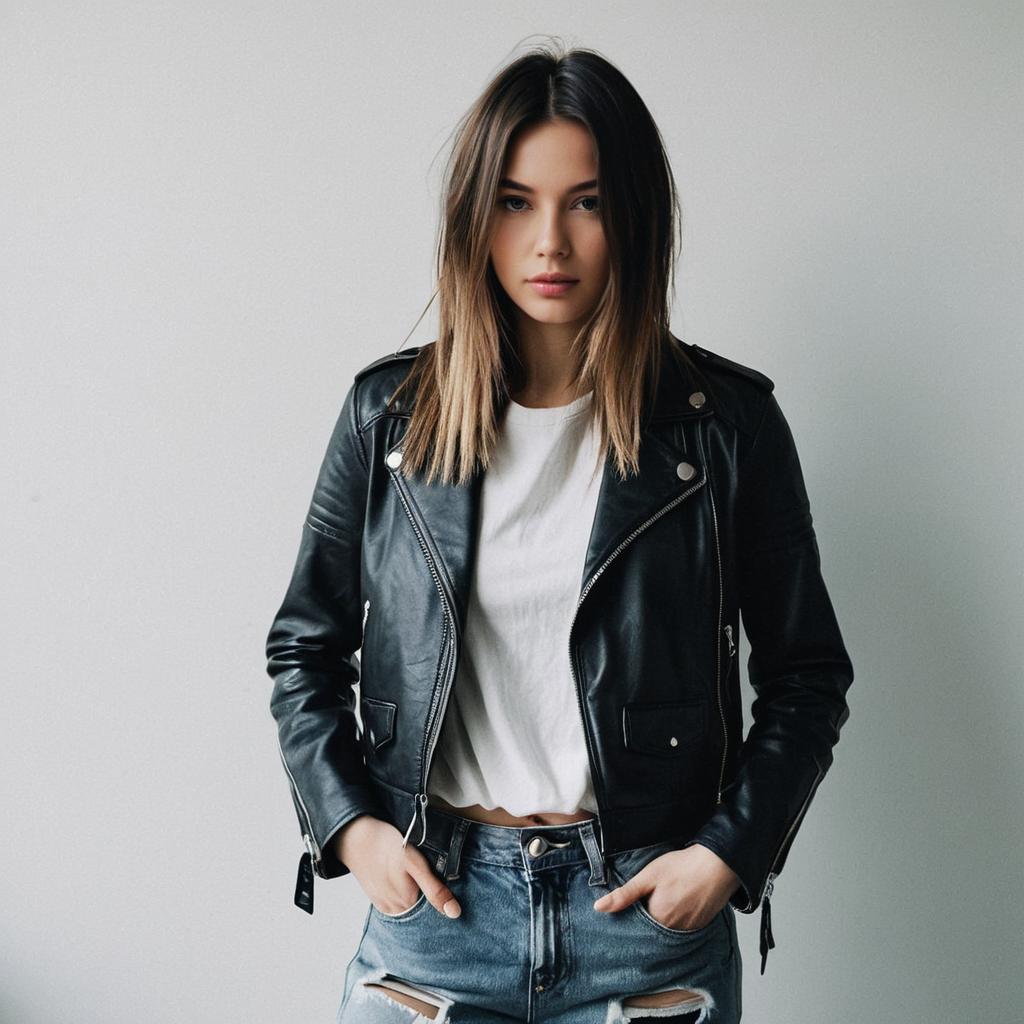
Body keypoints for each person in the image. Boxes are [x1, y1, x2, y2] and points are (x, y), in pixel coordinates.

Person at [265, 42, 853, 1024]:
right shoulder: (389, 419)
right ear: (473, 219)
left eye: (585, 201)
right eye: (513, 201)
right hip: (436, 921)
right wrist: (355, 830)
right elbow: (303, 645)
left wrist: (726, 855)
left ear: (633, 217)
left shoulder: (724, 429)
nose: (550, 241)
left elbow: (805, 674)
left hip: (643, 930)